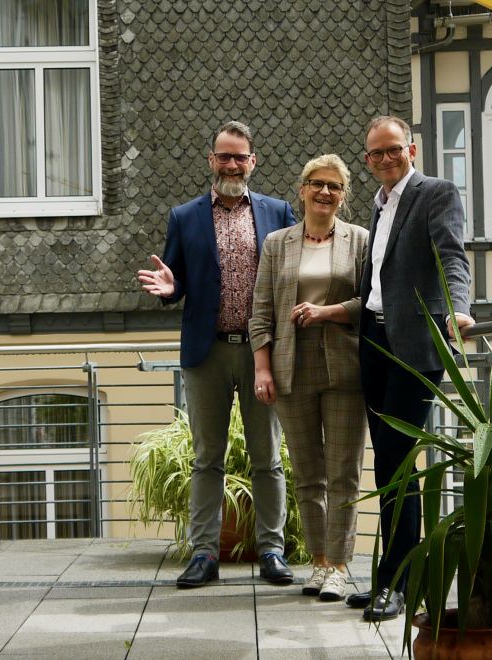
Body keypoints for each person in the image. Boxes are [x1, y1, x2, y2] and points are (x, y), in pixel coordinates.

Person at [137, 120, 297, 588]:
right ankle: (204, 553)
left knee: (267, 455)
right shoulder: (184, 217)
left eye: (239, 156)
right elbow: (177, 278)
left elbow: (295, 272)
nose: (231, 164)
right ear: (211, 161)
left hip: (260, 352)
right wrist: (171, 289)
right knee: (208, 457)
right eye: (223, 156)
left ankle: (271, 549)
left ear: (253, 161)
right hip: (207, 352)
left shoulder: (277, 212)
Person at [348, 116, 475, 621]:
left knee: (398, 463)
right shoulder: (379, 206)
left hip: (416, 345)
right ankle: (393, 577)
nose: (385, 159)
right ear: (367, 160)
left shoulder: (435, 193)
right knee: (386, 461)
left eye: (393, 150)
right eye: (376, 153)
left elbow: (452, 256)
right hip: (374, 339)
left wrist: (458, 306)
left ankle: (397, 584)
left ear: (413, 149)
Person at [249, 154, 369, 602]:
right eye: (317, 184)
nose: (324, 192)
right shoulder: (277, 244)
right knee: (306, 474)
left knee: (344, 473)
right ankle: (318, 562)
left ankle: (338, 566)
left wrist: (328, 312)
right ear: (301, 190)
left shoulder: (361, 240)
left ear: (343, 196)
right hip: (290, 369)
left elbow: (372, 305)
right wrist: (262, 368)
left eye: (334, 187)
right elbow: (260, 312)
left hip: (345, 368)